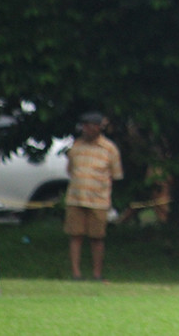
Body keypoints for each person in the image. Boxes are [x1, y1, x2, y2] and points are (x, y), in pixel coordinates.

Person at [64, 111, 123, 282]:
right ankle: (76, 274)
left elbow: (116, 174)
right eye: (84, 126)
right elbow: (70, 170)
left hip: (98, 200)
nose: (85, 129)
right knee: (75, 236)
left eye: (89, 126)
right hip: (76, 198)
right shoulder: (76, 145)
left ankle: (97, 274)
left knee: (97, 238)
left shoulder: (109, 148)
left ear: (98, 128)